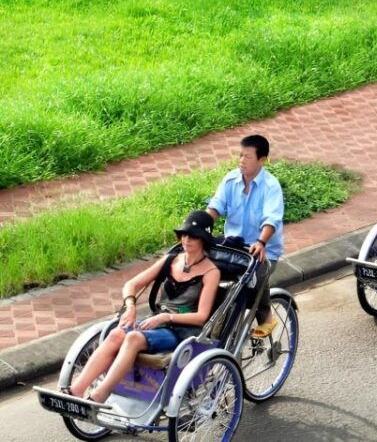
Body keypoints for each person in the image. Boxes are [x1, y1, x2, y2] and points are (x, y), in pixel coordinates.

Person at [66, 211, 221, 402]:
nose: (186, 240)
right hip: (156, 323)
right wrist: (130, 306)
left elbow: (201, 316)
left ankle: (100, 394)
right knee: (115, 334)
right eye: (184, 234)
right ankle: (76, 391)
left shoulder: (211, 272)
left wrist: (166, 317)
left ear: (203, 239)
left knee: (132, 338)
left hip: (181, 330)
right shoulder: (171, 260)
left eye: (193, 236)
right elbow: (131, 284)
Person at [207, 134, 283, 338]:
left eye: (247, 157)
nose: (242, 161)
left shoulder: (271, 186)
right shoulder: (230, 180)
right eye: (240, 155)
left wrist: (261, 241)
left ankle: (265, 316)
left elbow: (271, 219)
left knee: (255, 276)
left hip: (262, 249)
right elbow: (216, 206)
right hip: (233, 248)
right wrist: (200, 225)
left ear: (261, 160)